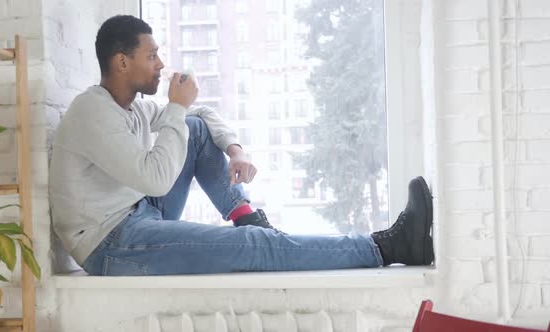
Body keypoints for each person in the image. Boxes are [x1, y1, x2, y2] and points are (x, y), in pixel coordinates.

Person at [49, 15, 434, 276]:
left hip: (138, 213)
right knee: (252, 246)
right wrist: (177, 107)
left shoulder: (128, 106)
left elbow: (196, 116)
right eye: (151, 56)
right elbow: (157, 179)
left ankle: (246, 215)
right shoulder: (91, 112)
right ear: (120, 62)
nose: (161, 64)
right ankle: (388, 247)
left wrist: (234, 148)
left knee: (196, 129)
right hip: (111, 244)